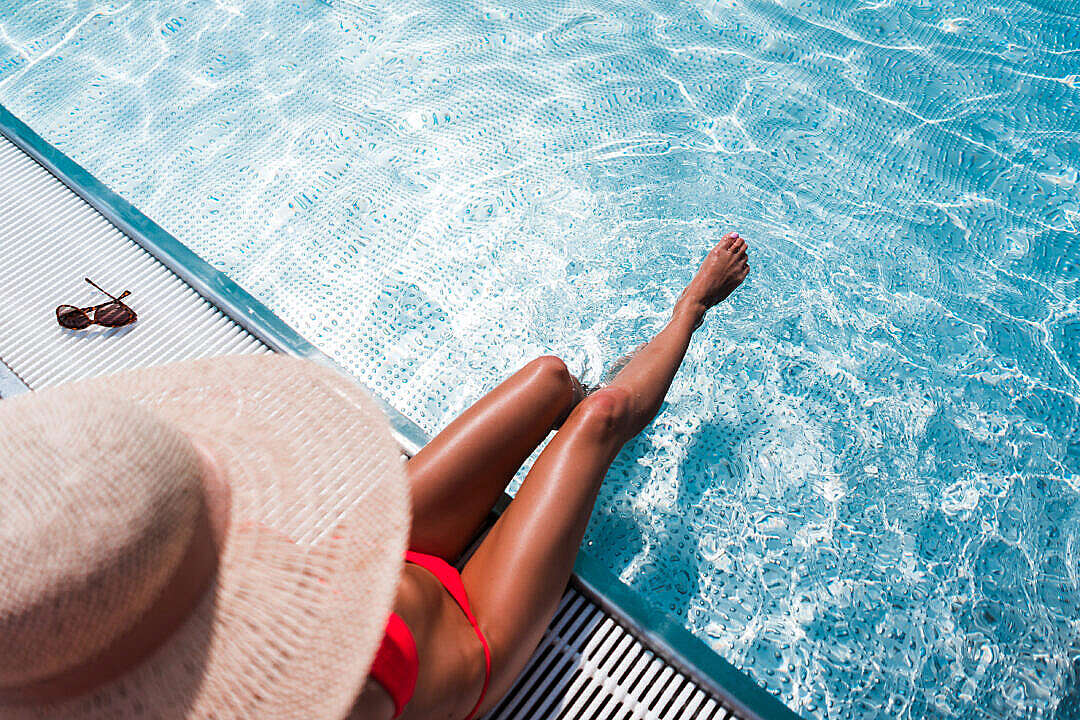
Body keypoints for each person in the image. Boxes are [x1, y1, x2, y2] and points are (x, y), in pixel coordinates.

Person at [357, 232, 749, 719]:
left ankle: (592, 391)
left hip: (387, 561)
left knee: (549, 378)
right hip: (472, 636)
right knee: (601, 418)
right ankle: (690, 310)